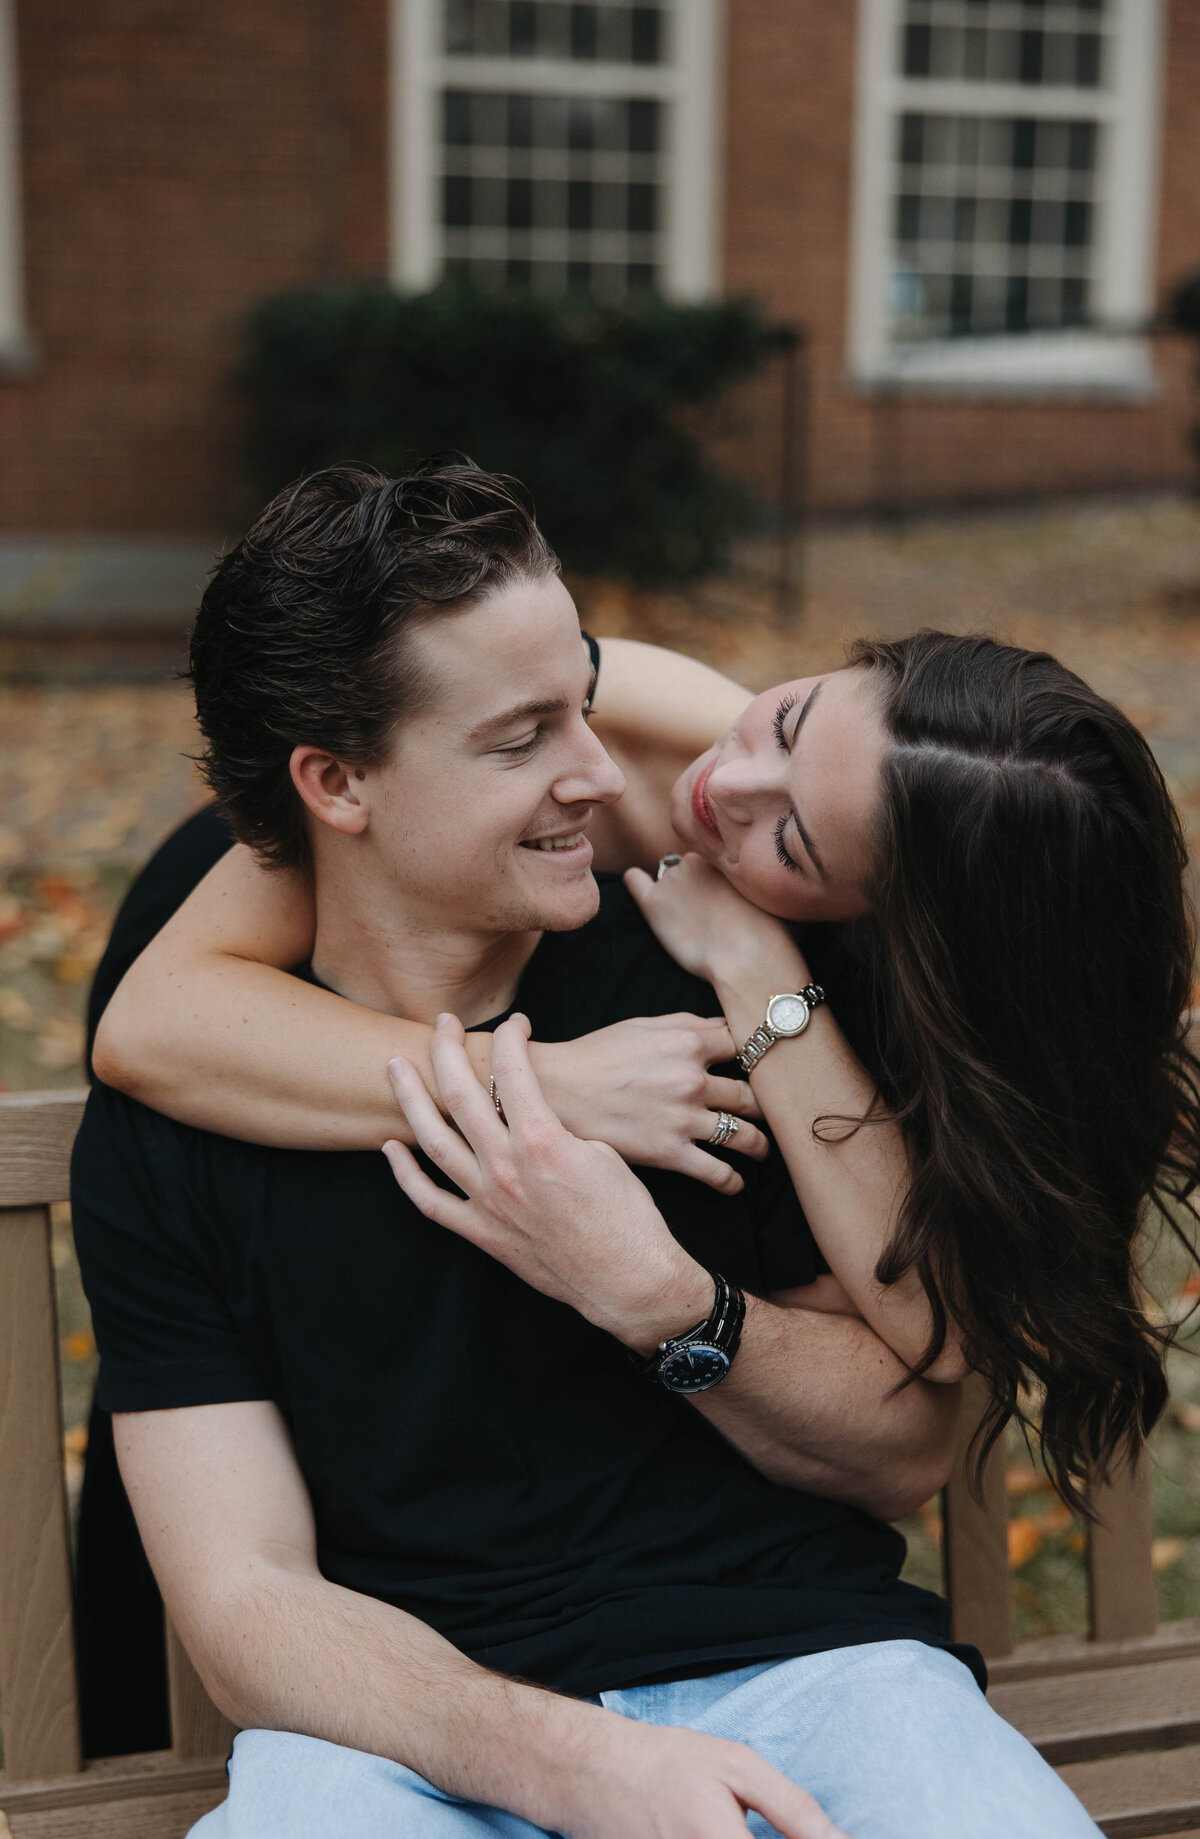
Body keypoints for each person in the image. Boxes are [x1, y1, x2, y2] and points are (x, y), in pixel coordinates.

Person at [70, 459, 1103, 1837]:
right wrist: (570, 1764)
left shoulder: (729, 983)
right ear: (336, 782)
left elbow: (896, 1433)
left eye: (587, 702)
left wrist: (659, 1298)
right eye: (522, 738)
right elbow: (245, 1595)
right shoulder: (195, 1095)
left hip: (810, 1674)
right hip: (408, 1735)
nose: (611, 776)